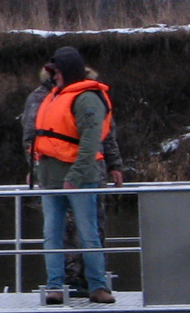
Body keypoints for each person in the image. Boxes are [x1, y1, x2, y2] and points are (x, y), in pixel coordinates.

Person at [22, 56, 125, 295]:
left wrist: (111, 165)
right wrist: (35, 170)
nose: (54, 76)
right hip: (51, 177)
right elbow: (34, 139)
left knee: (89, 232)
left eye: (58, 72)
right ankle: (57, 285)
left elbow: (96, 138)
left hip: (82, 178)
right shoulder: (44, 97)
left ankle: (96, 284)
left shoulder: (88, 98)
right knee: (53, 234)